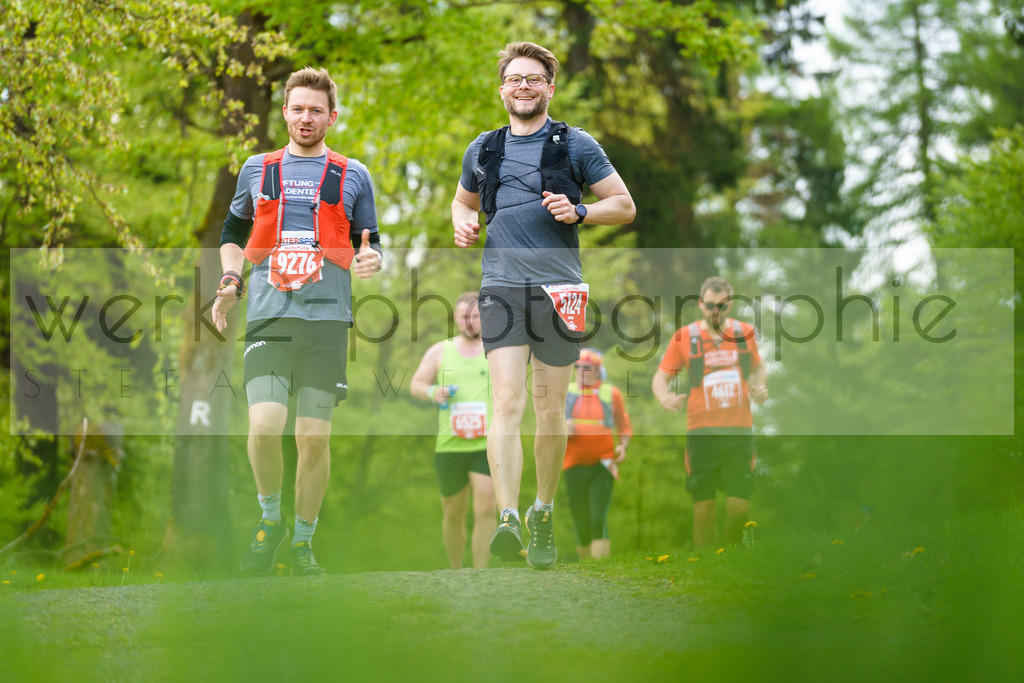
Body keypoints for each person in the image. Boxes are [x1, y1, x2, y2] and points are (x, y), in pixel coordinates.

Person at [451, 42, 635, 570]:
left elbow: (624, 206)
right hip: (501, 287)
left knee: (550, 409)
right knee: (507, 402)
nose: (524, 86)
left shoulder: (575, 144)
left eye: (534, 79)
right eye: (515, 79)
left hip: (562, 290)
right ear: (502, 88)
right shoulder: (483, 148)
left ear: (549, 88)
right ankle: (508, 517)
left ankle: (543, 512)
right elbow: (462, 202)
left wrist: (580, 210)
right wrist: (461, 222)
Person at [212, 67, 383, 576]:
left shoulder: (353, 173)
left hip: (326, 322)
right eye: (297, 108)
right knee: (264, 426)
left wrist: (372, 261)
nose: (306, 117)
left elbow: (370, 243)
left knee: (314, 439)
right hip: (269, 317)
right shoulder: (256, 169)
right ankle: (270, 521)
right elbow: (231, 232)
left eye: (316, 110)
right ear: (284, 111)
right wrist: (229, 282)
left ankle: (304, 542)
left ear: (331, 116)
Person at [652, 276, 768, 549]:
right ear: (701, 303)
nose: (716, 312)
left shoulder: (744, 333)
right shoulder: (685, 337)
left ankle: (730, 557)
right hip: (701, 433)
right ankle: (707, 567)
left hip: (739, 432)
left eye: (723, 306)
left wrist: (760, 387)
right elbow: (660, 377)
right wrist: (664, 398)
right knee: (703, 512)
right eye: (711, 306)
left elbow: (758, 367)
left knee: (739, 509)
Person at [410, 292, 497, 569]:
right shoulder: (440, 350)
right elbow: (416, 384)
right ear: (456, 318)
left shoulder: (496, 349)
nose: (470, 321)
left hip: (486, 442)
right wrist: (434, 391)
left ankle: (482, 573)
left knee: (486, 507)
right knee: (453, 513)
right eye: (464, 316)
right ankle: (456, 571)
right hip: (450, 443)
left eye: (475, 316)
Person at [562, 349, 631, 560]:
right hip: (572, 464)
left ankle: (600, 567)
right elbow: (548, 423)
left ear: (598, 370)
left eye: (587, 367)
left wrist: (622, 446)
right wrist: (562, 426)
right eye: (578, 367)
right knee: (580, 521)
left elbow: (624, 426)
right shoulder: (565, 392)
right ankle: (587, 569)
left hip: (603, 464)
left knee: (597, 518)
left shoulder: (612, 393)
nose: (581, 371)